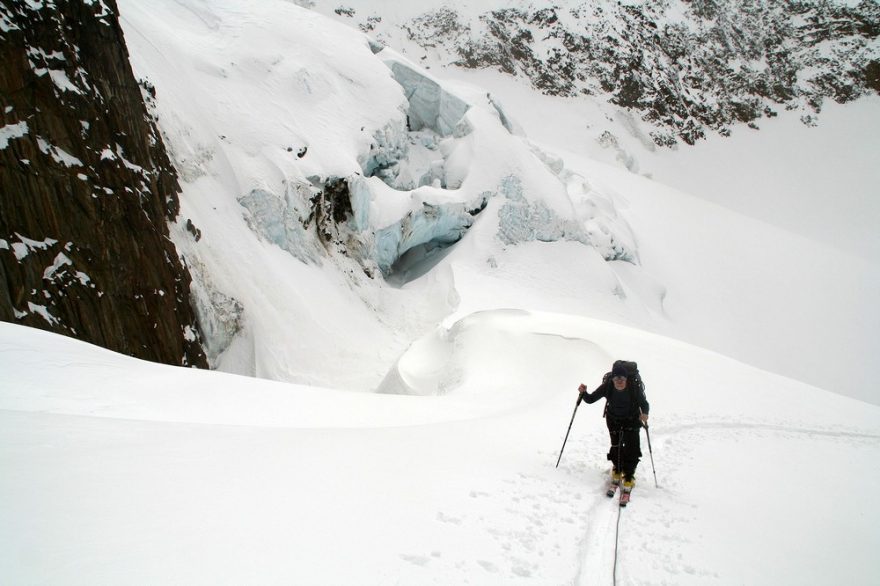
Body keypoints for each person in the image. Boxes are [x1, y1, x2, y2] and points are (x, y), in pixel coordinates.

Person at [577, 361, 649, 495]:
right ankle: (617, 468)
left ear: (626, 379)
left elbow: (644, 403)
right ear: (613, 378)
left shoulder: (633, 387)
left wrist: (645, 414)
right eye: (616, 378)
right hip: (613, 419)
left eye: (622, 378)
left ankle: (628, 475)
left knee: (632, 448)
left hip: (632, 420)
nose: (619, 381)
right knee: (616, 445)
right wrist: (583, 392)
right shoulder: (608, 386)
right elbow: (591, 399)